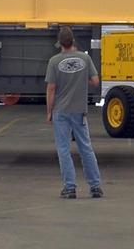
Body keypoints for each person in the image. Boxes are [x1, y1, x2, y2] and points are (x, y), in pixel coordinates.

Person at [44, 25, 103, 198]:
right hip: (79, 111)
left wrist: (49, 112)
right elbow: (95, 81)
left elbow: (51, 89)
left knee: (63, 149)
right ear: (73, 41)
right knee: (86, 148)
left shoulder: (54, 61)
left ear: (60, 43)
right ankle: (95, 187)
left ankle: (70, 188)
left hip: (61, 112)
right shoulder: (85, 59)